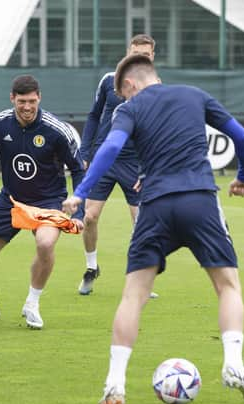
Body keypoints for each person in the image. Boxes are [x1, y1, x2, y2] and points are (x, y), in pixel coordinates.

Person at [62, 54, 244, 404]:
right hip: (200, 200)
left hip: (155, 205)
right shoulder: (194, 94)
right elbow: (243, 137)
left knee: (133, 295)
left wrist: (80, 193)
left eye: (124, 96)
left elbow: (110, 148)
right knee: (228, 286)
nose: (124, 101)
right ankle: (234, 364)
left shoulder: (129, 109)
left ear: (129, 85)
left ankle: (115, 383)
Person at [0, 75, 85, 330]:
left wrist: (78, 210)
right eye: (21, 102)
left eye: (32, 101)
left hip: (48, 201)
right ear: (12, 99)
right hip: (11, 200)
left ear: (39, 98)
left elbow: (78, 169)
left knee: (46, 243)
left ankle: (32, 304)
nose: (27, 107)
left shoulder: (56, 130)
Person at [77, 34, 157, 298]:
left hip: (133, 164)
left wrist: (149, 167)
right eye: (135, 52)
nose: (139, 57)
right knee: (89, 216)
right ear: (127, 52)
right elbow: (92, 115)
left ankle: (140, 279)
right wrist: (85, 151)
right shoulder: (108, 81)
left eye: (145, 54)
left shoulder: (156, 88)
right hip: (104, 159)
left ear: (152, 56)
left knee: (140, 222)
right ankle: (91, 268)